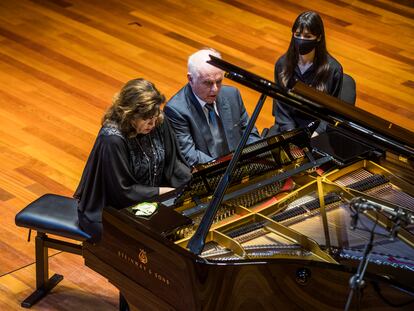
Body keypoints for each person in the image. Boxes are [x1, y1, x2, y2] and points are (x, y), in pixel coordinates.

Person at [74, 78, 191, 242]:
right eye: (146, 119)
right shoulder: (112, 139)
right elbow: (121, 192)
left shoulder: (158, 121)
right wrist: (160, 192)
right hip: (111, 210)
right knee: (151, 242)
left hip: (151, 202)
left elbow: (174, 163)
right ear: (128, 114)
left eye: (155, 115)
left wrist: (190, 184)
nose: (152, 122)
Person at [164, 48, 261, 167]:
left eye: (219, 81)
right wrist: (227, 169)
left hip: (241, 165)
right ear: (190, 79)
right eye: (208, 83)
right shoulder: (176, 110)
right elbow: (190, 155)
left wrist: (255, 158)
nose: (215, 89)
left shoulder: (232, 95)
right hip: (209, 173)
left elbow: (250, 133)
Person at [273, 11, 343, 135]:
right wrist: (291, 133)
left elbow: (332, 112)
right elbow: (281, 107)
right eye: (298, 34)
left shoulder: (334, 70)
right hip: (289, 128)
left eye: (308, 36)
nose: (301, 40)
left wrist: (317, 133)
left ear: (319, 37)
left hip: (318, 130)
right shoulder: (282, 65)